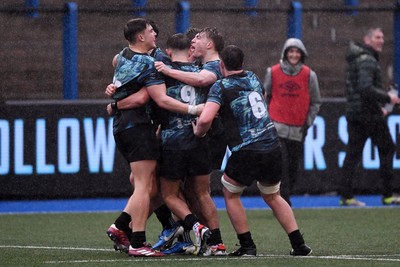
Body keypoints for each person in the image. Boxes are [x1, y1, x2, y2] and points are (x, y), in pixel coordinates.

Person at [193, 45, 312, 257]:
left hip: (247, 148)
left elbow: (205, 119)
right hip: (272, 144)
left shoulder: (221, 86)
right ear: (242, 63)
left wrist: (199, 133)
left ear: (221, 65)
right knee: (273, 195)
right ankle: (299, 243)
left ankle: (247, 246)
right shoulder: (254, 77)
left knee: (230, 193)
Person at [104, 18, 205, 257]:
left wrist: (114, 96)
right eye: (151, 31)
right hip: (139, 125)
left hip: (122, 127)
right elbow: (152, 99)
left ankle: (122, 227)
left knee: (144, 183)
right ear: (140, 37)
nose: (155, 34)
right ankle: (137, 242)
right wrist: (193, 110)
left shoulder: (124, 54)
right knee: (143, 185)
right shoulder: (151, 63)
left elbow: (116, 61)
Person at [154, 27, 228, 254]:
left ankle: (193, 230)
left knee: (167, 193)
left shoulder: (212, 67)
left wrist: (167, 69)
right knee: (199, 193)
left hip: (183, 139)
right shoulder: (197, 66)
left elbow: (199, 80)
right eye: (192, 39)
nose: (194, 41)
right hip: (199, 138)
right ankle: (214, 241)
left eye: (199, 38)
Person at [340, 27, 400, 206]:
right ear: (367, 40)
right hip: (368, 114)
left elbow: (357, 90)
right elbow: (365, 88)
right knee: (387, 148)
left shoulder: (356, 59)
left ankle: (346, 195)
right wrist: (389, 97)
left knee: (353, 154)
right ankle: (388, 195)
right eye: (377, 37)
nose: (381, 40)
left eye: (382, 37)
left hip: (355, 112)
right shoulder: (367, 60)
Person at [263, 38, 321, 206]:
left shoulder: (309, 75)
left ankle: (283, 199)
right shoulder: (272, 72)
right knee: (282, 167)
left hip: (298, 130)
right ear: (285, 53)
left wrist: (308, 121)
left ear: (302, 54)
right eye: (291, 51)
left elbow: (316, 102)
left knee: (293, 168)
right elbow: (265, 97)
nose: (294, 54)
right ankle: (284, 202)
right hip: (277, 128)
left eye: (297, 51)